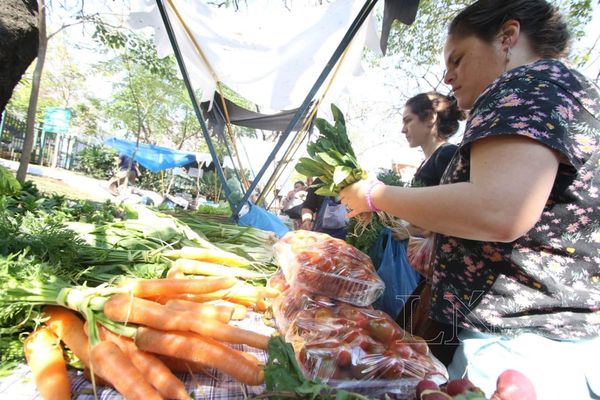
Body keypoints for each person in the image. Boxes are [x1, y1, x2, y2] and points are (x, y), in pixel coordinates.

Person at [340, 1, 600, 398]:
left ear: (507, 37)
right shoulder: (567, 89)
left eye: (458, 60)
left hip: (520, 344)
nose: (448, 77)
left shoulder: (526, 83)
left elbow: (497, 209)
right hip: (549, 338)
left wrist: (375, 196)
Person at [388, 92, 466, 365]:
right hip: (428, 277)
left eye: (408, 120)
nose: (403, 128)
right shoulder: (430, 160)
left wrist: (414, 229)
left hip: (442, 280)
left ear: (430, 118)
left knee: (418, 356)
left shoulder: (447, 155)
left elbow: (453, 214)